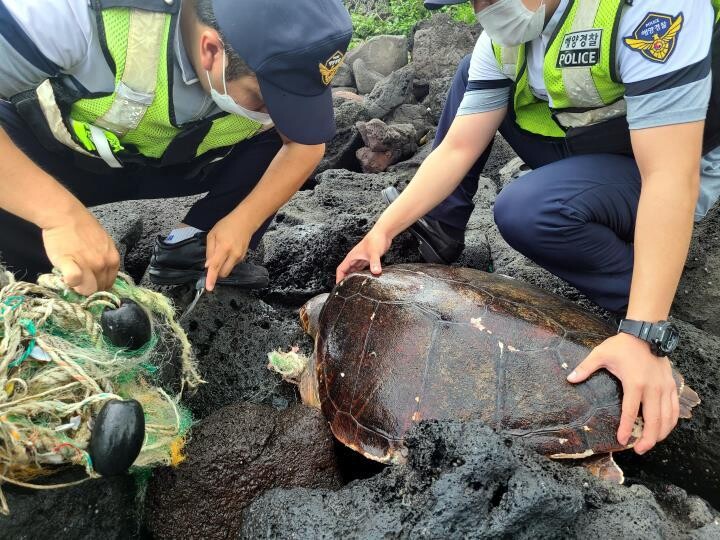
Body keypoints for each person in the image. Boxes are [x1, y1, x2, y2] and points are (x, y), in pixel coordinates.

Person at [338, 0, 719, 455]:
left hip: (673, 160)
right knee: (467, 74)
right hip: (587, 147)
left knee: (528, 210)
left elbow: (669, 177)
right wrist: (382, 230)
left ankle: (636, 287)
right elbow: (458, 147)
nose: (485, 9)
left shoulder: (650, 9)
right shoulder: (501, 41)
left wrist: (644, 333)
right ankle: (437, 232)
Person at [0, 0, 352, 294]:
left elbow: (305, 144)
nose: (273, 114)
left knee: (278, 138)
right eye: (263, 98)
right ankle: (39, 281)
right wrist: (58, 216)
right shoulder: (66, 14)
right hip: (60, 159)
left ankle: (192, 250)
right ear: (211, 49)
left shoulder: (284, 71)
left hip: (179, 162)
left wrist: (242, 222)